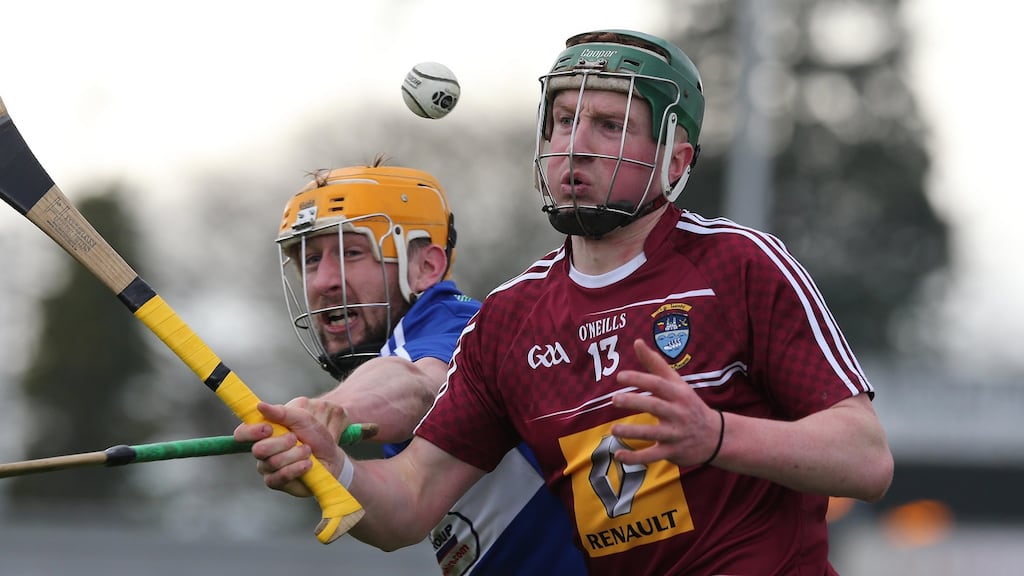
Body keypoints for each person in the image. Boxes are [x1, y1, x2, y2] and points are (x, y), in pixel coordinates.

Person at [239, 30, 894, 575]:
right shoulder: (510, 320)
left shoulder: (741, 266)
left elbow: (864, 459)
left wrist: (716, 435)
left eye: (610, 126)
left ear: (674, 160)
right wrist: (334, 471)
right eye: (563, 121)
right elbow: (407, 503)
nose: (575, 146)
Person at [268, 159, 585, 575]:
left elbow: (418, 384)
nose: (323, 281)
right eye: (309, 260)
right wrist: (333, 467)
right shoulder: (402, 345)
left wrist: (319, 414)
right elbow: (396, 527)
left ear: (426, 268)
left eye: (351, 252)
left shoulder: (459, 328)